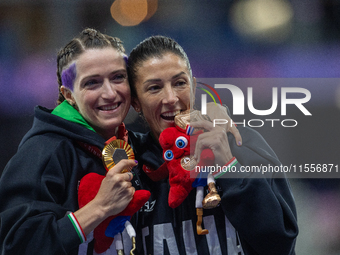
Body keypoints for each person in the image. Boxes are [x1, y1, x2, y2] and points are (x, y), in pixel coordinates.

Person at [127, 36, 298, 255]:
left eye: (180, 83)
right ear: (135, 102)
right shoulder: (131, 164)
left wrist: (228, 167)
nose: (170, 98)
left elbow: (281, 245)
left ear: (194, 86)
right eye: (154, 88)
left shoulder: (241, 143)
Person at [0, 28, 137, 254]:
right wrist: (99, 207)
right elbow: (15, 245)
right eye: (92, 83)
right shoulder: (44, 151)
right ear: (69, 95)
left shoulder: (129, 144)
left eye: (118, 77)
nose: (110, 93)